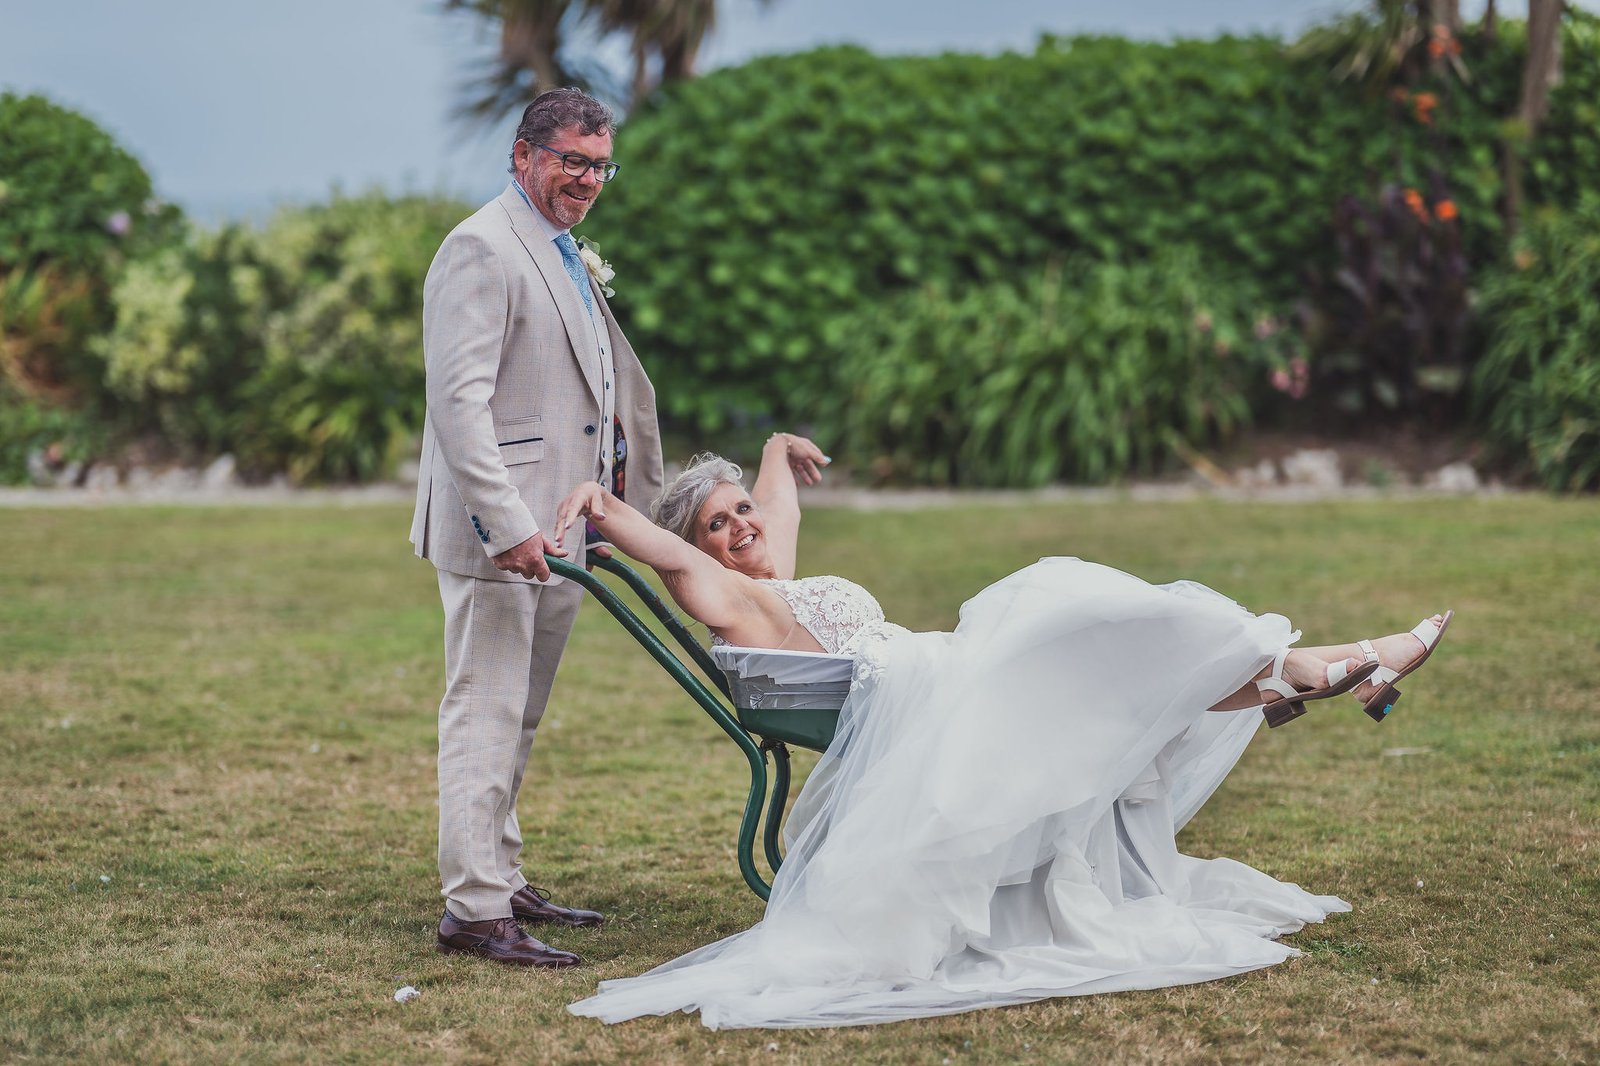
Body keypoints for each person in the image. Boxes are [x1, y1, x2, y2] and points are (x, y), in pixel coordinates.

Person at [551, 434, 1452, 1027]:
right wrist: (602, 505)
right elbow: (663, 548)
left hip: (929, 672)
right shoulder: (727, 592)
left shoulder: (768, 572)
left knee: (1100, 644)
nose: (744, 524)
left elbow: (773, 512)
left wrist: (773, 455)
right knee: (1080, 619)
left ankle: (1304, 670)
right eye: (721, 523)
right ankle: (1304, 670)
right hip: (923, 683)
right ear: (700, 552)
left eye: (742, 508)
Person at [409, 87, 664, 968]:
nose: (588, 180)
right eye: (572, 162)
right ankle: (473, 912)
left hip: (562, 533)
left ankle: (499, 873)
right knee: (484, 709)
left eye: (600, 165)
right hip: (504, 536)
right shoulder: (481, 247)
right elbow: (459, 403)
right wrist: (505, 523)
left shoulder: (560, 248)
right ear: (523, 156)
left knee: (519, 715)